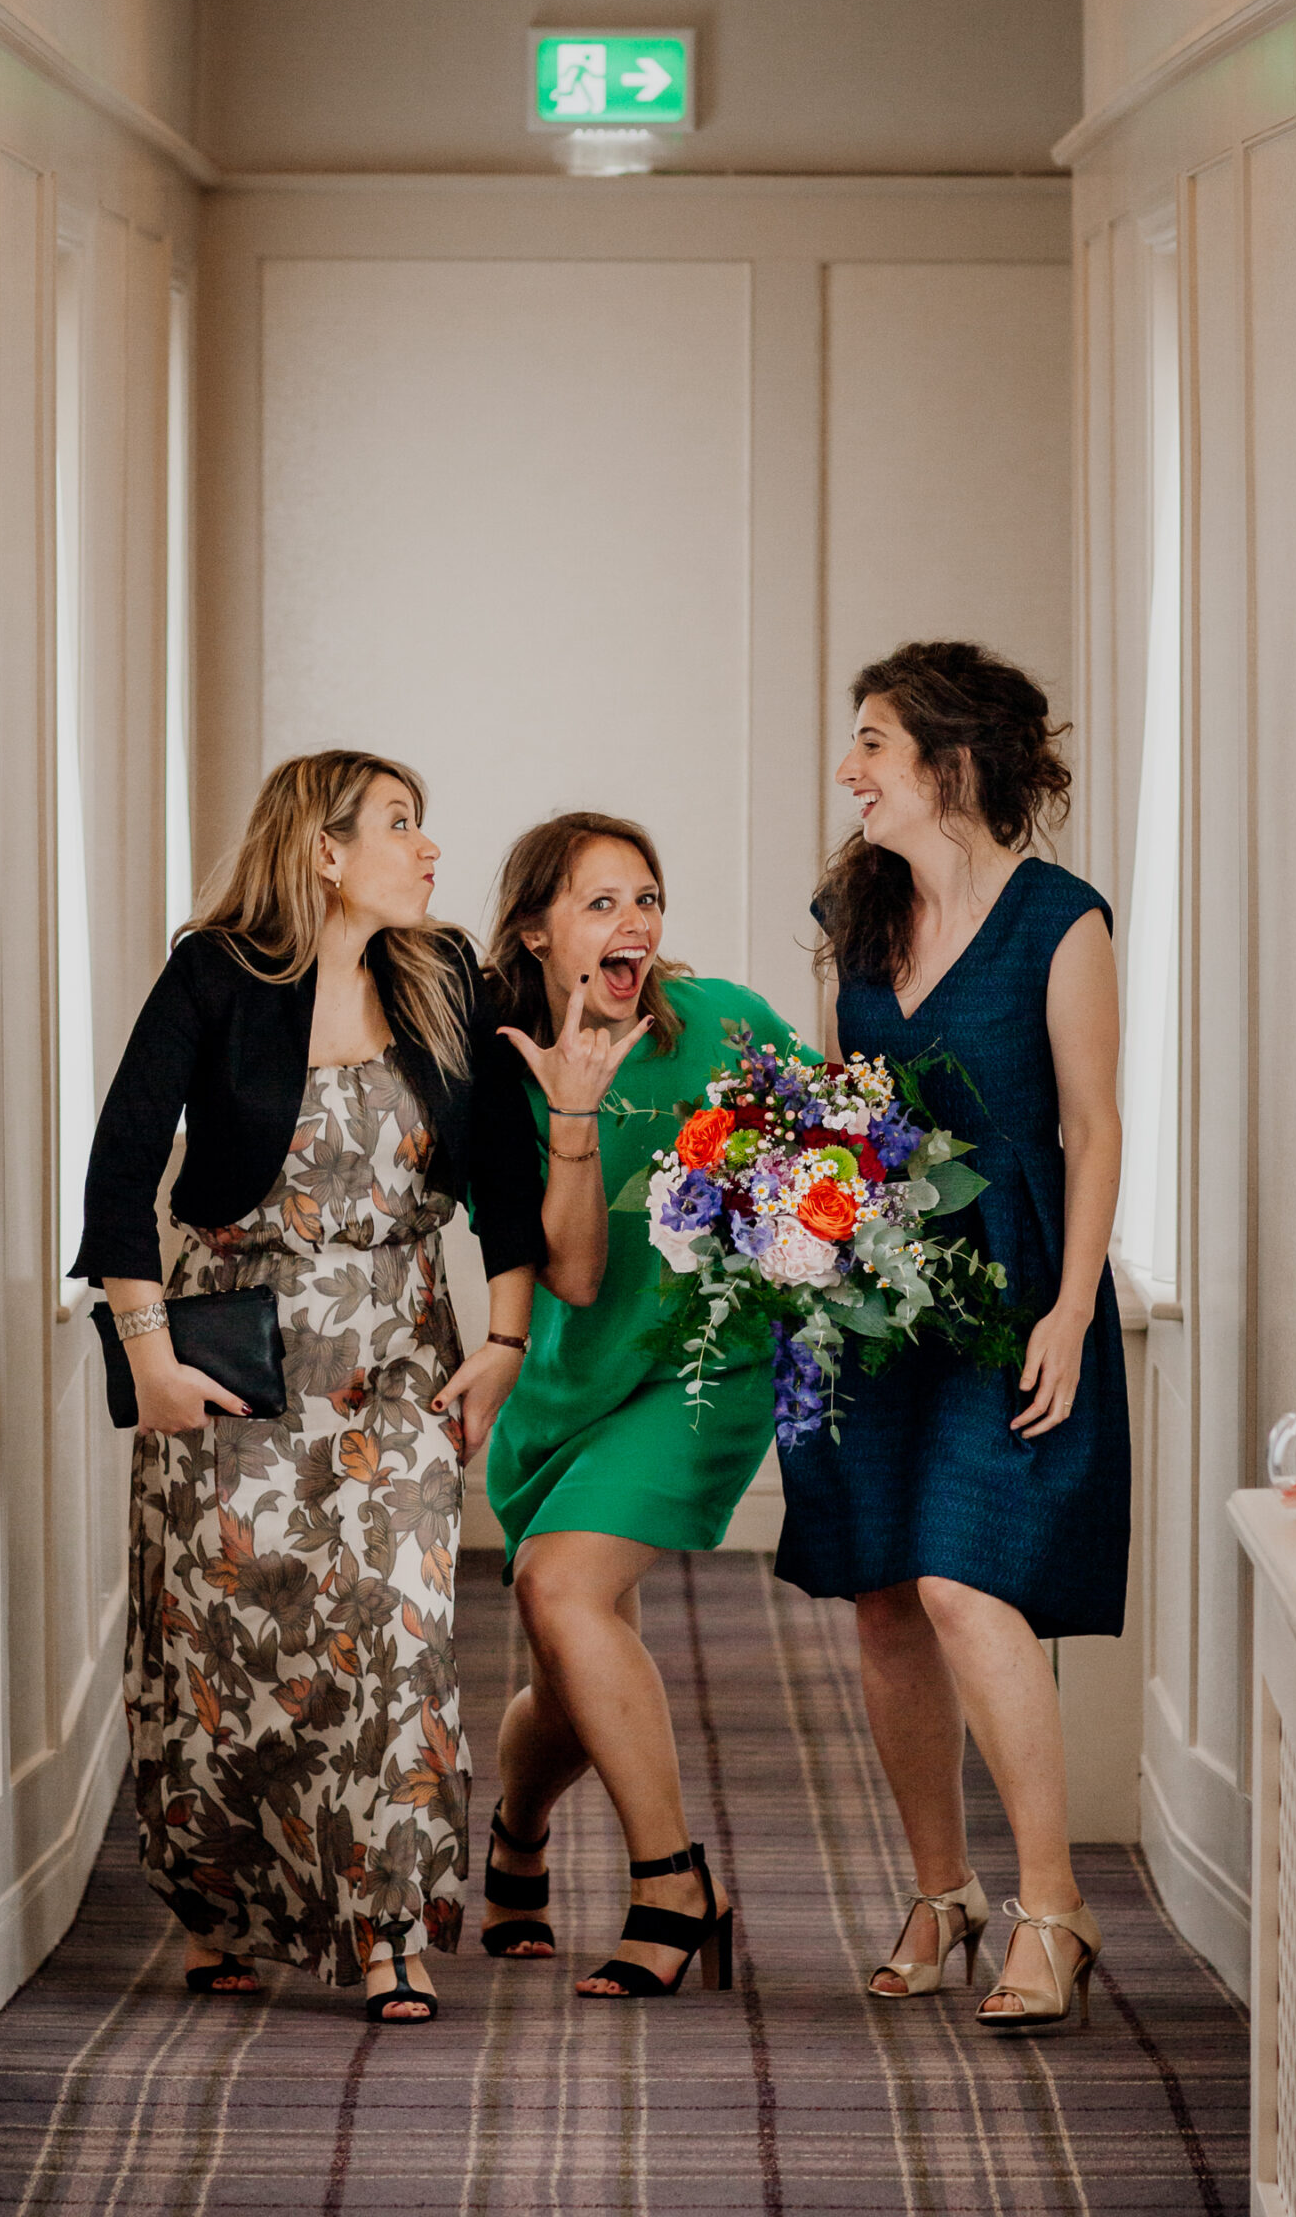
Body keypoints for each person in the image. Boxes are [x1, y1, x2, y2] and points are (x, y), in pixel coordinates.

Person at [74, 751, 544, 2025]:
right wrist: (148, 1358)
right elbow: (119, 1177)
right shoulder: (215, 973)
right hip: (233, 1366)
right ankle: (222, 1905)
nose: (430, 848)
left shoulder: (440, 977)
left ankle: (391, 1923)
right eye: (402, 824)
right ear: (325, 850)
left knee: (400, 1632)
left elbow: (503, 1172)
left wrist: (503, 1341)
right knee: (236, 1653)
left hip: (399, 1357)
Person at [775, 642, 1127, 2031]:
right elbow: (828, 1103)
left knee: (962, 1585)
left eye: (871, 741)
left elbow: (1090, 1129)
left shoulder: (1061, 921)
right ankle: (939, 1891)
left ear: (951, 764)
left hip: (1007, 1291)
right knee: (879, 1592)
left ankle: (1054, 1904)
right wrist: (781, 1222)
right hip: (861, 1300)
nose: (847, 768)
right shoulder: (856, 913)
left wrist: (1073, 1307)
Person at [449, 813, 799, 2000]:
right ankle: (517, 1836)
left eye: (645, 896)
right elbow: (579, 1278)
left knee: (558, 1586)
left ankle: (672, 1884)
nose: (634, 922)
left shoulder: (728, 1025)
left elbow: (834, 1150)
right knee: (566, 1659)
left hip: (697, 1373)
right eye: (601, 903)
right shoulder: (499, 1059)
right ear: (538, 931)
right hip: (566, 1385)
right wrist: (576, 1116)